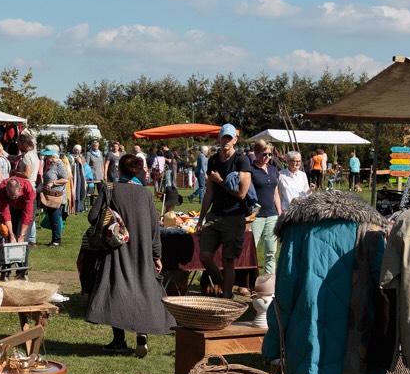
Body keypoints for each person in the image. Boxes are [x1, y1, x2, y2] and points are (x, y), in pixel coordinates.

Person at [85, 154, 175, 357]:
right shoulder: (145, 194)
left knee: (117, 291)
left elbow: (92, 217)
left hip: (117, 248)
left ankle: (119, 341)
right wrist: (156, 255)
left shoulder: (110, 189)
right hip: (142, 250)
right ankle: (141, 334)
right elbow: (154, 228)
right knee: (142, 289)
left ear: (119, 169)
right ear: (139, 170)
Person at [197, 123, 252, 296]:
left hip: (234, 216)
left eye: (229, 137)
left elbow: (242, 194)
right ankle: (222, 281)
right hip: (215, 215)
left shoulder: (241, 160)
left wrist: (220, 180)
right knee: (205, 256)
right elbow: (209, 192)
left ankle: (226, 298)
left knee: (229, 260)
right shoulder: (213, 160)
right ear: (219, 138)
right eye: (223, 137)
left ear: (235, 140)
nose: (226, 140)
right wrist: (201, 219)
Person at [249, 140, 282, 275]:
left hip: (272, 215)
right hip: (256, 216)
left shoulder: (273, 170)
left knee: (270, 252)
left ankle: (270, 281)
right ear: (256, 154)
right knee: (250, 250)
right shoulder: (250, 170)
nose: (268, 157)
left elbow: (276, 193)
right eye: (264, 154)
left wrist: (279, 213)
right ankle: (247, 282)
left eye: (270, 154)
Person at [40, 145, 69, 247]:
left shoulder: (59, 164)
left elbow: (65, 179)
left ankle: (57, 240)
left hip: (56, 196)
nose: (47, 158)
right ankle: (55, 239)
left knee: (55, 218)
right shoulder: (50, 165)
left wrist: (53, 183)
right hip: (51, 196)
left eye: (48, 157)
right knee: (53, 217)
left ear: (53, 157)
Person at [15, 132, 40, 247]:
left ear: (23, 143)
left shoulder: (27, 157)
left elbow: (27, 173)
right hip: (32, 188)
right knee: (29, 217)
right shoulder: (34, 155)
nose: (17, 144)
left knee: (24, 218)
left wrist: (14, 173)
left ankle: (23, 241)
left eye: (18, 142)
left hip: (26, 189)